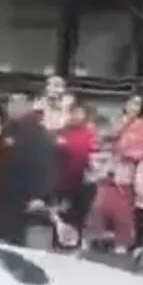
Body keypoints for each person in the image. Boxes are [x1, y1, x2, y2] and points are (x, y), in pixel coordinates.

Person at [89, 93, 143, 254]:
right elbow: (102, 139)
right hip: (111, 167)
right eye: (130, 103)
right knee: (104, 204)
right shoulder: (117, 122)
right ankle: (105, 237)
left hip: (131, 170)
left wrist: (132, 154)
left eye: (137, 104)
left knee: (124, 207)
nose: (132, 107)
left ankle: (124, 240)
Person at [0, 92, 56, 245]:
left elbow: (43, 164)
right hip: (2, 193)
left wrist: (39, 195)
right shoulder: (8, 129)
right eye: (10, 102)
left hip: (22, 197)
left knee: (16, 239)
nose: (11, 107)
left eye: (16, 102)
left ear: (27, 106)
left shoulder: (37, 133)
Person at [54, 101, 98, 248]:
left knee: (79, 217)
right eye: (73, 113)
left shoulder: (90, 134)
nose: (76, 116)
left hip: (83, 183)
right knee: (62, 215)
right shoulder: (61, 133)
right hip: (62, 183)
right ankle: (59, 244)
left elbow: (94, 156)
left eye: (79, 113)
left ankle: (76, 244)